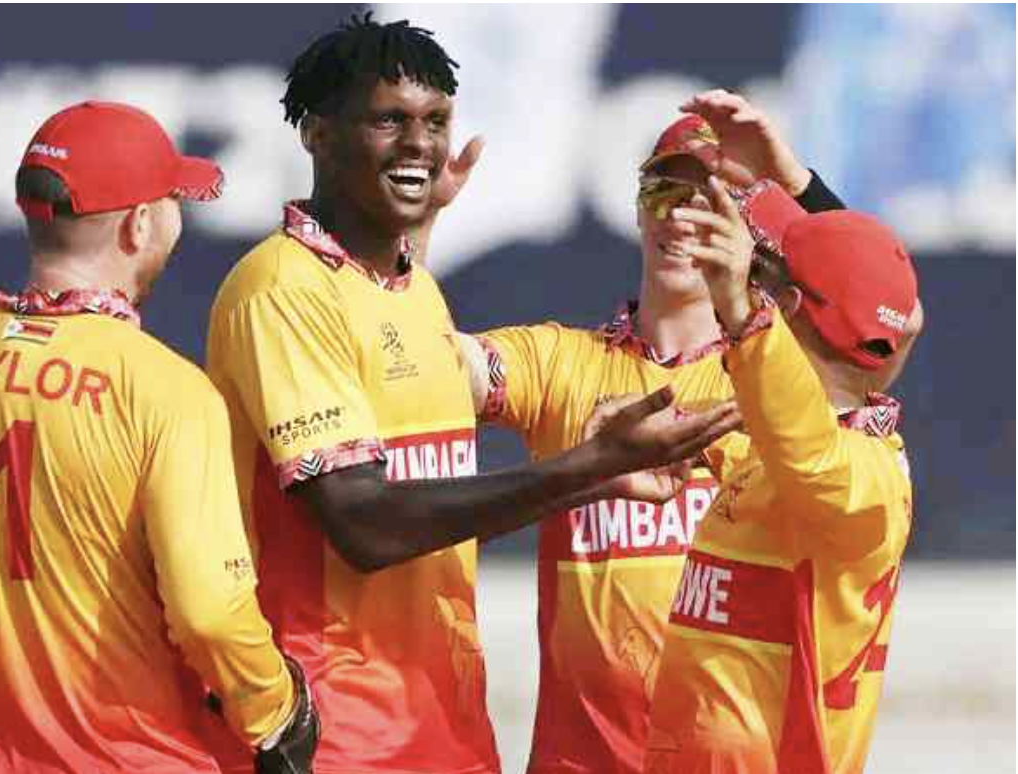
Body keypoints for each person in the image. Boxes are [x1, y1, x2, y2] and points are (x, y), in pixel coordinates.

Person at [203, 15, 740, 774]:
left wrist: (594, 476)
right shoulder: (282, 289)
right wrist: (591, 467)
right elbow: (364, 525)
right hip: (340, 735)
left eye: (435, 122)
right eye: (389, 120)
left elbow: (431, 508)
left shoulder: (411, 291)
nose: (419, 143)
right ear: (317, 134)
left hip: (444, 729)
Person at [0, 101, 317, 774]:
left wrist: (3, 666)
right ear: (140, 224)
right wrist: (279, 711)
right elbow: (210, 614)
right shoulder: (166, 390)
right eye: (174, 202)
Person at [456, 92, 900, 774]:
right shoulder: (561, 364)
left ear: (752, 239)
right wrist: (405, 237)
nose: (683, 217)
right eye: (665, 192)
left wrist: (795, 181)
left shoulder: (780, 382)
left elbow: (872, 304)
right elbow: (436, 365)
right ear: (637, 208)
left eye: (712, 202)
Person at [641, 175, 919, 773]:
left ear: (785, 308)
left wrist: (744, 318)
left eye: (761, 275)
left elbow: (810, 456)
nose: (749, 285)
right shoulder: (772, 446)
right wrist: (797, 179)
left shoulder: (863, 477)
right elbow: (896, 316)